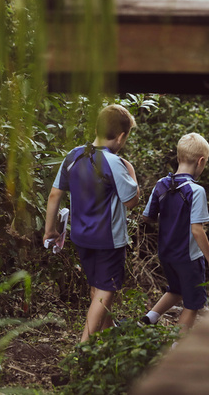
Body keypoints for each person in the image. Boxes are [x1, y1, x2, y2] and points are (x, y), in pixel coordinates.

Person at [43, 104, 140, 342]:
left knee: (97, 285)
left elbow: (55, 194)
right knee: (106, 290)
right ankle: (82, 349)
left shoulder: (73, 155)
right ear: (121, 136)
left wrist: (50, 230)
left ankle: (109, 333)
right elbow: (131, 201)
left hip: (81, 237)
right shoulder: (115, 162)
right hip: (108, 240)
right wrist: (132, 173)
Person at [141, 133, 209, 333]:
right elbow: (197, 230)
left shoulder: (161, 185)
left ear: (178, 158)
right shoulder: (195, 191)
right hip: (188, 257)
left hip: (166, 254)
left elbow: (147, 217)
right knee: (193, 304)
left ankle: (148, 318)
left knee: (176, 290)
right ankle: (176, 344)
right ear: (201, 161)